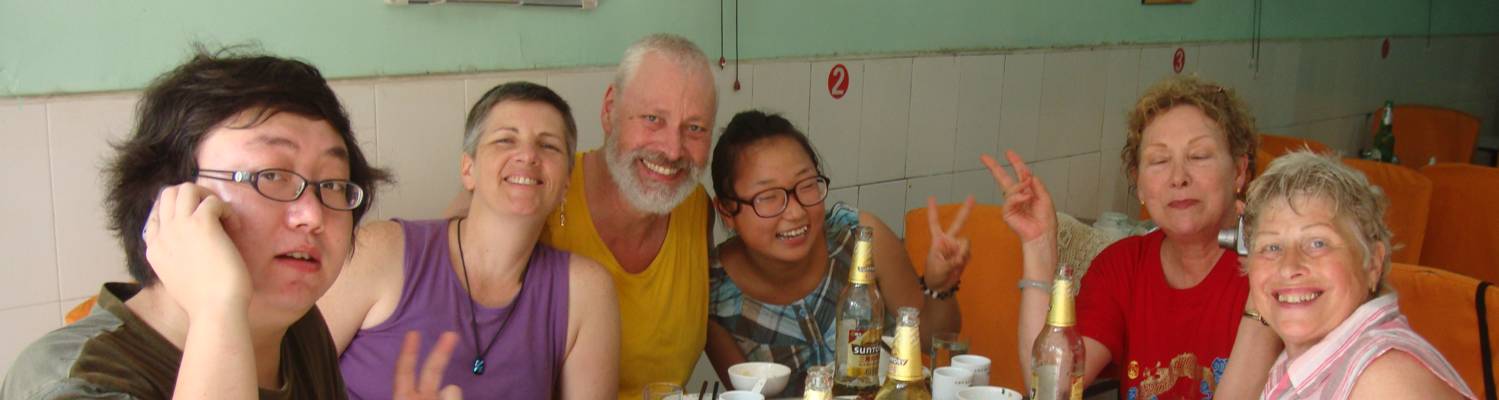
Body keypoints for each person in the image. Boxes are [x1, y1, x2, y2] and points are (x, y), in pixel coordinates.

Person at [0, 49, 457, 400]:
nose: (313, 215)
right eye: (271, 176)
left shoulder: (295, 328)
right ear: (172, 198)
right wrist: (218, 309)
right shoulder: (68, 381)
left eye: (334, 185)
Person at [448, 33, 718, 397]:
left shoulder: (696, 207)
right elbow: (445, 299)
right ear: (610, 110)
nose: (672, 150)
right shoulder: (535, 189)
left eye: (695, 128)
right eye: (653, 118)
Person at [988, 75, 1281, 399]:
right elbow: (1049, 385)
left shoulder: (1274, 268)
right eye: (1158, 161)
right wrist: (1039, 246)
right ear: (1138, 183)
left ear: (1239, 171)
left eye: (1198, 156)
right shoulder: (1123, 266)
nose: (1178, 178)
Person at [321, 82, 620, 399]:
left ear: (565, 184)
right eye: (505, 140)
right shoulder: (381, 250)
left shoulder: (585, 292)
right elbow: (285, 380)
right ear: (468, 169)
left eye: (549, 146)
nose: (528, 155)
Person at [704, 111, 973, 396]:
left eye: (806, 185)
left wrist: (939, 288)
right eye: (768, 197)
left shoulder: (861, 239)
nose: (795, 213)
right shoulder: (714, 294)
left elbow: (931, 341)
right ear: (726, 210)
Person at [1242, 152, 1474, 399]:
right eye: (1271, 247)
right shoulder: (1307, 358)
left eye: (1318, 243)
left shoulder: (1384, 382)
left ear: (1373, 263)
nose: (1289, 266)